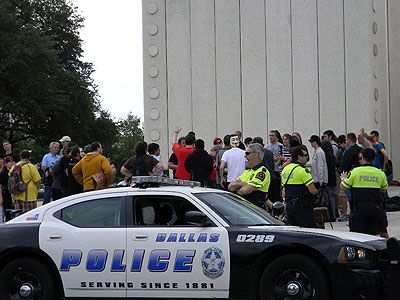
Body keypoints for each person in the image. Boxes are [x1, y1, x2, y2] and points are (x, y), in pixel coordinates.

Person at [340, 148, 388, 236]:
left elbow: (343, 187)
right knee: (374, 235)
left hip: (358, 210)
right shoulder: (380, 173)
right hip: (375, 209)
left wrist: (343, 179)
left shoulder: (354, 172)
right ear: (374, 159)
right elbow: (384, 189)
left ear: (362, 157)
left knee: (357, 236)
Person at [281, 146, 318, 228]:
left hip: (289, 205)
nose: (307, 157)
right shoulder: (303, 170)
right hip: (302, 206)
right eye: (305, 155)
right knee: (310, 230)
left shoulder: (285, 169)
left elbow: (283, 190)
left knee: (292, 230)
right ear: (299, 157)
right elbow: (313, 191)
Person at [228, 143, 270, 208]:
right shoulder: (247, 171)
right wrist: (243, 184)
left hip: (254, 211)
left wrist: (239, 186)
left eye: (247, 153)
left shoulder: (261, 172)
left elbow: (245, 191)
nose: (245, 156)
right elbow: (230, 187)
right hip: (244, 209)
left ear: (256, 154)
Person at [265, 130, 283, 202]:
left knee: (276, 190)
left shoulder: (280, 146)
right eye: (270, 135)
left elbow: (280, 157)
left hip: (277, 170)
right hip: (269, 170)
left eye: (272, 136)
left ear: (276, 137)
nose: (271, 137)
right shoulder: (266, 147)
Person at [321, 141, 337, 221]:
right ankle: (333, 214)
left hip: (327, 180)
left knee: (328, 198)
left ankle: (331, 215)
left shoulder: (325, 156)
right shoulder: (332, 156)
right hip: (332, 179)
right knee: (331, 197)